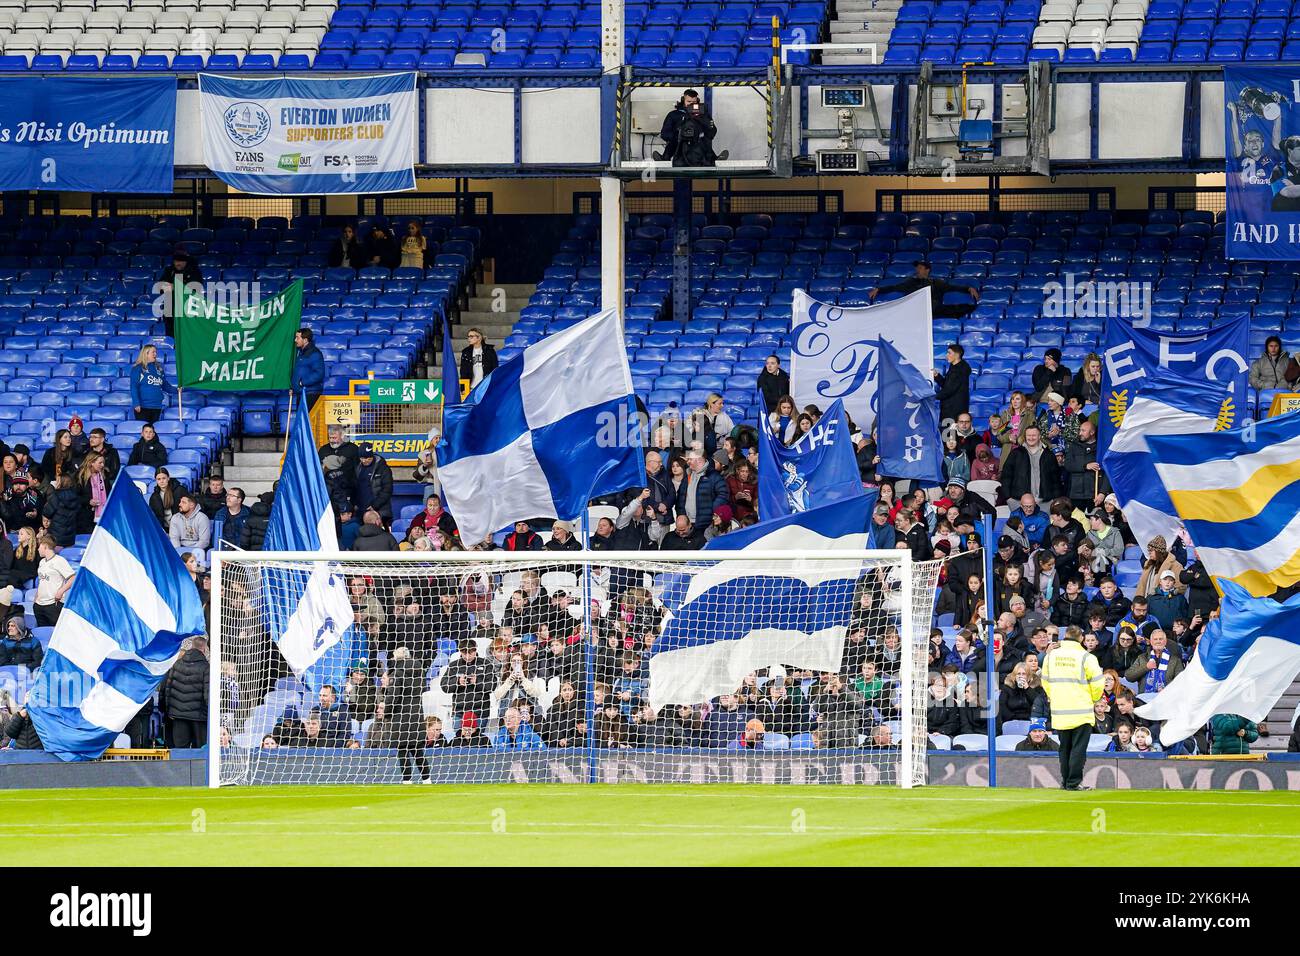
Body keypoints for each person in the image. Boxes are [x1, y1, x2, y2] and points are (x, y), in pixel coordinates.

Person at [1040, 624, 1104, 790]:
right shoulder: (1086, 657)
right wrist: (1093, 698)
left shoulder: (1051, 656)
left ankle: (1065, 781)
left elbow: (1045, 681)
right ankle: (1073, 782)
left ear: (1065, 635)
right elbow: (1098, 683)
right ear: (1081, 638)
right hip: (1081, 710)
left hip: (1060, 710)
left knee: (1064, 748)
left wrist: (1054, 696)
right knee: (1078, 749)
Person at [868, 261, 980, 320]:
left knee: (962, 308)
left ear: (927, 270)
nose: (917, 270)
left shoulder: (936, 283)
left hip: (934, 309)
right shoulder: (910, 282)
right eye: (917, 268)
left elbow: (953, 287)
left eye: (920, 268)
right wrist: (879, 289)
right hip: (915, 310)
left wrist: (968, 288)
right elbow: (895, 287)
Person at [654, 89, 726, 166]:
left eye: (694, 102)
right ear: (683, 100)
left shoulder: (703, 115)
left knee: (704, 138)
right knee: (674, 138)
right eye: (689, 102)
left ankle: (713, 159)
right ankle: (665, 158)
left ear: (697, 101)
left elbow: (712, 132)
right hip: (679, 145)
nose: (691, 104)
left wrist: (702, 120)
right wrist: (678, 134)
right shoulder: (674, 114)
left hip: (698, 143)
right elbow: (665, 133)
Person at [159, 637, 209, 748]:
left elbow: (167, 690)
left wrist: (168, 711)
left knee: (180, 751)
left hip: (178, 715)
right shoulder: (206, 667)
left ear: (191, 646)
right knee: (200, 751)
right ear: (204, 649)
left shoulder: (176, 665)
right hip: (199, 717)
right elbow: (207, 694)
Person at [1000, 424, 1060, 503]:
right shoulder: (1016, 453)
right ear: (1025, 436)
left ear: (1039, 436)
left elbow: (1055, 479)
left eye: (1034, 435)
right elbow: (1006, 476)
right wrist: (1008, 497)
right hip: (1019, 500)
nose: (1031, 438)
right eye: (1028, 435)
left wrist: (1055, 498)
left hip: (1044, 501)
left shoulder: (1049, 455)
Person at [676, 450, 728, 533]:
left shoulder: (713, 476)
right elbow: (680, 497)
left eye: (690, 459)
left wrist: (711, 511)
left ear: (699, 460)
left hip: (705, 525)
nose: (688, 462)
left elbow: (723, 495)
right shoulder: (687, 474)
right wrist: (681, 515)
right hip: (687, 524)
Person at [158, 251, 203, 338]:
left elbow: (194, 288)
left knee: (187, 335)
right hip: (170, 308)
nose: (177, 264)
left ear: (186, 261)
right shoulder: (169, 271)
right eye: (176, 261)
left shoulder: (194, 272)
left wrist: (175, 287)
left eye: (180, 261)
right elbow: (160, 285)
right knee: (171, 335)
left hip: (187, 308)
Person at [318, 425, 362, 512]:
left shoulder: (353, 449)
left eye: (334, 438)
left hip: (347, 492)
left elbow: (358, 471)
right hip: (327, 493)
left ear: (342, 436)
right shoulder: (323, 450)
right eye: (330, 438)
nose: (332, 440)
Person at [130, 344, 173, 424]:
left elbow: (165, 386)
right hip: (143, 407)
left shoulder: (159, 369)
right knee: (145, 433)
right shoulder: (138, 369)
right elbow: (134, 387)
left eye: (156, 352)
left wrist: (178, 389)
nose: (155, 354)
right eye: (153, 352)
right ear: (146, 354)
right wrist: (136, 403)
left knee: (153, 432)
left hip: (157, 407)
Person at [932, 343, 972, 423]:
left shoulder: (960, 370)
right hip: (951, 410)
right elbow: (947, 385)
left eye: (949, 353)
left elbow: (949, 390)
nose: (946, 355)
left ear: (957, 355)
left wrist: (932, 397)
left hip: (954, 412)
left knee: (951, 435)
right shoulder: (954, 367)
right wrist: (937, 376)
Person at [353, 443, 393, 523]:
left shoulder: (382, 468)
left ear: (372, 456)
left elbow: (387, 490)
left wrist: (374, 505)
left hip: (379, 511)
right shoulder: (358, 468)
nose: (364, 460)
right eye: (362, 458)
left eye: (367, 458)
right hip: (360, 510)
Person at [76, 452, 113, 529]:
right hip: (85, 517)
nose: (102, 465)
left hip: (104, 516)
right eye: (100, 463)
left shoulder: (105, 475)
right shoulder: (80, 477)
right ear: (91, 463)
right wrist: (88, 501)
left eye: (103, 463)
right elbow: (74, 497)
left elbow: (110, 493)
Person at [42, 475, 81, 547]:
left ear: (60, 483)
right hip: (70, 537)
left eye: (57, 481)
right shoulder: (75, 496)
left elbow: (47, 512)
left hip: (56, 536)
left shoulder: (55, 496)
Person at [292, 328, 325, 411]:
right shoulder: (301, 353)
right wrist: (294, 386)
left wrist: (302, 382)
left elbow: (319, 373)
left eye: (297, 338)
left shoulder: (314, 353)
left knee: (309, 422)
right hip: (303, 394)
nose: (295, 340)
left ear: (305, 340)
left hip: (310, 394)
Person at [459, 327, 498, 393]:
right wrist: (463, 388)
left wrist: (493, 386)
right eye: (468, 337)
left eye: (471, 336)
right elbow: (463, 372)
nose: (469, 339)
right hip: (471, 388)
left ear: (479, 337)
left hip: (485, 387)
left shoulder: (490, 350)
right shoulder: (466, 352)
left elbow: (495, 369)